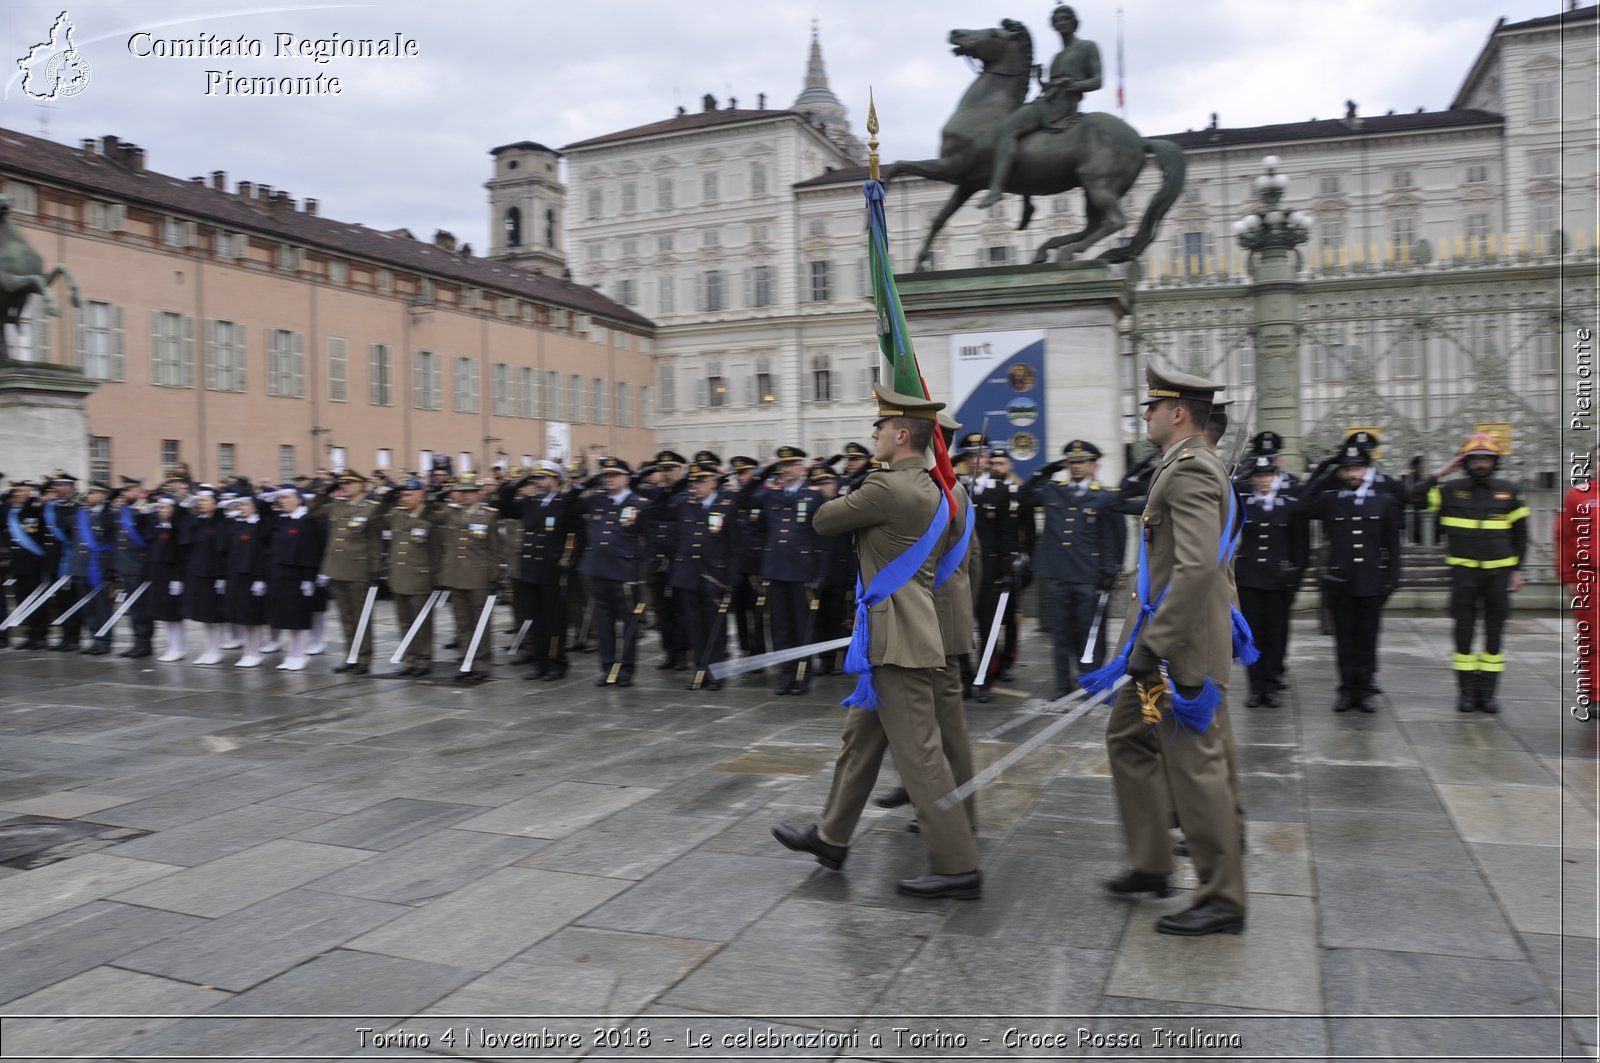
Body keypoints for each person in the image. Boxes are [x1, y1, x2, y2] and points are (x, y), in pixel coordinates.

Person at [772, 384, 982, 900]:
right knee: (859, 743)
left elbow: (824, 520)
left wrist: (849, 491)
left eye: (881, 427)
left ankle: (958, 865)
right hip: (897, 633)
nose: (873, 434)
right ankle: (832, 836)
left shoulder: (889, 487)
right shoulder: (932, 491)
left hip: (898, 639)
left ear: (903, 435)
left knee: (921, 756)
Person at [1102, 366, 1246, 936]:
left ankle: (1223, 898)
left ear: (1177, 413)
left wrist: (1153, 645)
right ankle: (1151, 863)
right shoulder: (1185, 466)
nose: (1145, 416)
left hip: (1176, 650)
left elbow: (1193, 569)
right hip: (1166, 643)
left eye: (1152, 408)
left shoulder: (1189, 472)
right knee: (1130, 738)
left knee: (1194, 766)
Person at [1411, 433, 1528, 713]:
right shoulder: (1450, 490)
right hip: (1464, 574)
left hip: (1499, 576)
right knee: (1463, 632)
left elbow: (1521, 535)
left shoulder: (1509, 491)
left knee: (1494, 632)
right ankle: (1465, 693)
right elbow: (1413, 498)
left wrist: (1518, 569)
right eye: (1474, 458)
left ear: (1495, 461)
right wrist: (1441, 472)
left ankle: (1487, 694)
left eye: (1486, 458)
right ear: (1465, 462)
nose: (1480, 463)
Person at [1303, 441, 1403, 712]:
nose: (1351, 475)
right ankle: (1346, 689)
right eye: (1346, 470)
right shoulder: (1331, 500)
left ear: (1367, 470)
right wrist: (1326, 468)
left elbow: (1394, 545)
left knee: (1368, 639)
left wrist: (1392, 580)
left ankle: (1366, 688)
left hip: (1372, 582)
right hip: (1341, 582)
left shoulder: (1384, 502)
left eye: (1357, 469)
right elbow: (1303, 502)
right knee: (1344, 640)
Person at [1023, 440, 1127, 699]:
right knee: (1061, 632)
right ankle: (1061, 683)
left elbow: (1117, 535)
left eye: (1081, 462)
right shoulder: (1052, 490)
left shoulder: (1104, 495)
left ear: (1093, 465)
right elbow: (1024, 497)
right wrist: (1045, 470)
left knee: (1090, 631)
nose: (1076, 467)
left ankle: (1091, 679)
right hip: (1057, 574)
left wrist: (1112, 568)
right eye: (1071, 462)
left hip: (1088, 576)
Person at [977, 4, 1102, 210]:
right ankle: (1027, 200)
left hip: (1062, 106)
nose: (1061, 22)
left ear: (1074, 23)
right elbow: (1050, 87)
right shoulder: (1057, 58)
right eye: (1058, 20)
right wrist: (1040, 80)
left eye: (1065, 19)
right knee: (1023, 138)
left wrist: (1075, 85)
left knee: (1008, 129)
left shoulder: (1088, 47)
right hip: (1049, 100)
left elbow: (1097, 81)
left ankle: (997, 188)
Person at [739, 446, 824, 695]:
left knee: (801, 626)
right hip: (775, 570)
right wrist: (763, 552)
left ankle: (802, 674)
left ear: (801, 467)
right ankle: (786, 674)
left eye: (790, 465)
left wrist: (819, 573)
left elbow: (823, 538)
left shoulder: (814, 497)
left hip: (802, 572)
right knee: (780, 628)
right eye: (782, 466)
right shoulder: (769, 497)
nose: (785, 470)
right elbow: (746, 513)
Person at [659, 460, 743, 690]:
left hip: (714, 578)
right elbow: (671, 532)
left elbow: (734, 548)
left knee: (715, 627)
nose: (697, 485)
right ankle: (701, 670)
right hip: (688, 576)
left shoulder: (726, 507)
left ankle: (717, 673)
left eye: (702, 480)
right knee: (694, 627)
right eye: (694, 480)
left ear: (714, 482)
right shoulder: (685, 505)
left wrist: (731, 581)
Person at [496, 462, 579, 682]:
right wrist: (519, 481)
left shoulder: (566, 503)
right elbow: (504, 506)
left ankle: (556, 662)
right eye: (537, 479)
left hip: (552, 569)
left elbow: (577, 535)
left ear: (556, 480)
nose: (539, 483)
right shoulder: (530, 502)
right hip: (530, 569)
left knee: (554, 621)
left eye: (544, 478)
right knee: (536, 619)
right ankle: (540, 662)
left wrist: (567, 561)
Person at [1236, 455, 1308, 706]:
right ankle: (1255, 687)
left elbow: (1299, 546)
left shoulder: (1290, 506)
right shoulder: (1243, 505)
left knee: (1276, 635)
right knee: (1252, 635)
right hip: (1250, 580)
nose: (1264, 480)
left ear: (1276, 477)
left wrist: (1295, 576)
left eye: (1268, 475)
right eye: (1259, 476)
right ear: (1252, 480)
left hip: (1278, 581)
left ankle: (1271, 684)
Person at [580, 456, 649, 687]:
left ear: (627, 478)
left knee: (628, 623)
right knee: (604, 624)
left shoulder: (639, 504)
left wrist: (641, 569)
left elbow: (649, 540)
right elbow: (569, 503)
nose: (608, 479)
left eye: (614, 475)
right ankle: (607, 668)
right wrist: (590, 480)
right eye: (605, 476)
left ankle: (626, 670)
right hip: (599, 570)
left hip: (625, 574)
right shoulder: (597, 501)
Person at [968, 446, 1031, 697]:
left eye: (987, 458)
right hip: (960, 570)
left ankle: (984, 676)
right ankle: (963, 677)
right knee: (958, 628)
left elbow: (1009, 534)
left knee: (989, 628)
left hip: (989, 569)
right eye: (976, 457)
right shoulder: (959, 488)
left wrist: (1009, 569)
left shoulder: (1005, 491)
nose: (985, 462)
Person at [309, 471, 384, 675]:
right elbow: (312, 511)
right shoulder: (336, 505)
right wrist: (324, 492)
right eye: (343, 484)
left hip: (358, 570)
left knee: (361, 617)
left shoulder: (371, 509)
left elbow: (375, 543)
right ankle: (351, 656)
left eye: (351, 483)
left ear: (362, 486)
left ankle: (364, 658)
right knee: (345, 617)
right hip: (337, 568)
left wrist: (375, 570)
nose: (346, 487)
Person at [435, 474, 501, 682]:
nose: (464, 496)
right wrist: (445, 492)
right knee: (462, 622)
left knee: (480, 621)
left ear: (478, 493)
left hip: (478, 576)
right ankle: (466, 659)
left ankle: (482, 661)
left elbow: (493, 549)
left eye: (469, 492)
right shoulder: (451, 513)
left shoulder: (488, 516)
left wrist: (494, 577)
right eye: (461, 492)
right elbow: (430, 512)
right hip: (455, 575)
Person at [1558, 445, 1600, 713]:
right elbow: (1563, 536)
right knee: (1591, 638)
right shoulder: (1578, 496)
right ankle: (1594, 694)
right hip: (1590, 578)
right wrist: (1568, 576)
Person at [179, 486, 229, 664]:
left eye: (204, 501)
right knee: (204, 615)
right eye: (199, 501)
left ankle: (217, 649)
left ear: (215, 504)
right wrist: (188, 510)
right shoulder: (197, 522)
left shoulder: (220, 522)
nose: (200, 504)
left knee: (215, 615)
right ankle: (208, 649)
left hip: (213, 574)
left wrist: (222, 576)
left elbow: (223, 551)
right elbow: (185, 537)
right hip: (198, 572)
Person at [220, 492, 271, 667]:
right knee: (242, 617)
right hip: (237, 576)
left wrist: (260, 578)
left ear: (255, 507)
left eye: (245, 505)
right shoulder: (237, 525)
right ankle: (248, 651)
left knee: (253, 618)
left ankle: (255, 652)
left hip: (253, 577)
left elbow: (262, 554)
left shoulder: (260, 526)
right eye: (240, 505)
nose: (241, 508)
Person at [726, 456, 766, 665]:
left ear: (753, 473)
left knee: (757, 610)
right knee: (739, 610)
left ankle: (758, 649)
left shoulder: (761, 497)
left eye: (744, 473)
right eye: (737, 474)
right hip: (736, 564)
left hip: (755, 565)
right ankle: (744, 647)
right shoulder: (734, 499)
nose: (740, 477)